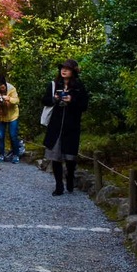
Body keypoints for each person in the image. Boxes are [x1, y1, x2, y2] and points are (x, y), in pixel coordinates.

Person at [43, 59, 89, 196]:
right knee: (55, 157)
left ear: (73, 71)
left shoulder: (79, 87)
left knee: (70, 158)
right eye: (62, 68)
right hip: (56, 127)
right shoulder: (54, 85)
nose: (63, 71)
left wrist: (72, 101)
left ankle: (69, 177)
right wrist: (55, 99)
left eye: (67, 69)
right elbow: (44, 100)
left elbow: (84, 106)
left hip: (71, 127)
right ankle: (58, 185)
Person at [0, 74, 20, 164]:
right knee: (0, 136)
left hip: (12, 115)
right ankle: (1, 155)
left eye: (2, 86)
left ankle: (16, 155)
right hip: (0, 116)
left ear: (4, 84)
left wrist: (9, 98)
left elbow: (17, 101)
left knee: (13, 135)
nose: (0, 88)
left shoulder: (11, 88)